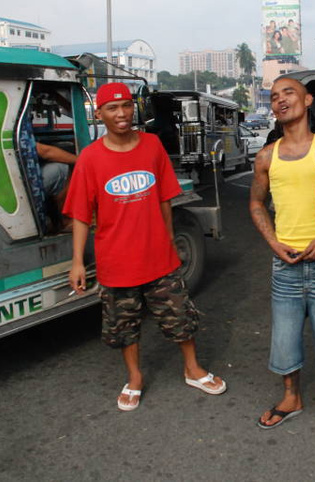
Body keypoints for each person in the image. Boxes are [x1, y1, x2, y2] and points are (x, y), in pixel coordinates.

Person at [64, 82, 226, 412]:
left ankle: (192, 368)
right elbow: (81, 215)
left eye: (126, 106)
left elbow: (166, 199)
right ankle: (135, 377)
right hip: (115, 261)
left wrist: (168, 238)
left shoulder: (152, 146)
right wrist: (77, 262)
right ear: (100, 114)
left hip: (159, 258)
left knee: (180, 316)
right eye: (112, 108)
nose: (121, 113)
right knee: (125, 326)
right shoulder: (90, 159)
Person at [249, 76, 315, 431]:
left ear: (308, 100)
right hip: (285, 262)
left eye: (288, 93)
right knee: (285, 335)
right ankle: (291, 396)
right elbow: (256, 203)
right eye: (274, 96)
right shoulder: (266, 156)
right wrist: (273, 242)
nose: (280, 100)